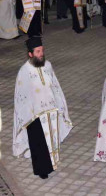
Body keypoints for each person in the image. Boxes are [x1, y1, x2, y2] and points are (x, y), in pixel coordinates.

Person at [13, 37, 73, 179]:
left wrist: (60, 105)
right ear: (30, 54)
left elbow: (55, 86)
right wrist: (28, 112)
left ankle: (52, 164)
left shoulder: (48, 65)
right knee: (38, 142)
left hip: (50, 110)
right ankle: (41, 170)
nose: (41, 54)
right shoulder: (24, 71)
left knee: (51, 138)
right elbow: (21, 95)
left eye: (42, 51)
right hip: (34, 114)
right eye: (38, 51)